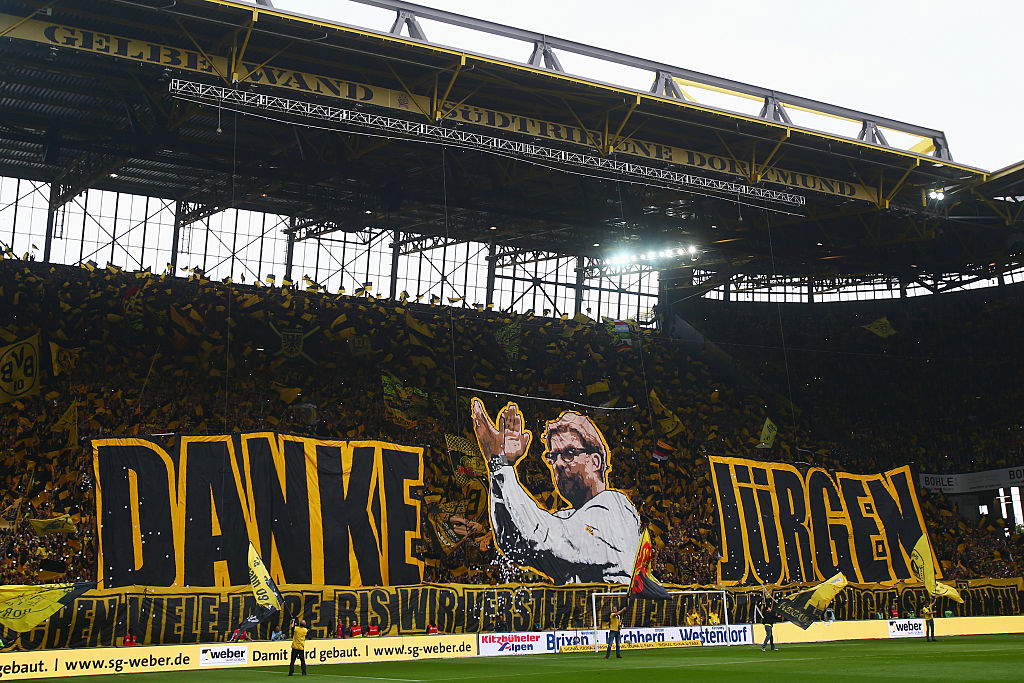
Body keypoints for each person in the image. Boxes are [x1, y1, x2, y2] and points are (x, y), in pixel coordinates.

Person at [472, 399, 641, 584]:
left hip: (619, 612)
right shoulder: (569, 518)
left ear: (595, 461)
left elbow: (551, 538)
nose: (559, 464)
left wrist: (503, 466)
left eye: (569, 453)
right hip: (591, 611)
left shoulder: (615, 507)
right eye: (553, 456)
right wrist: (497, 465)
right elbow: (513, 543)